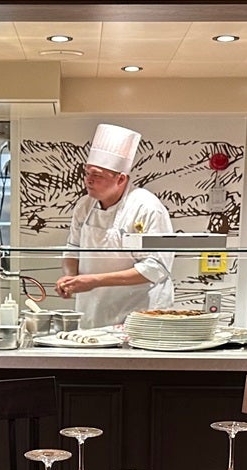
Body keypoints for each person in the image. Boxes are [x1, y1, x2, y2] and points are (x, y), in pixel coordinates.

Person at [55, 123, 175, 328]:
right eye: (87, 173)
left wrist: (94, 281)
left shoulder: (147, 207)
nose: (88, 181)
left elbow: (155, 268)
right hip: (93, 310)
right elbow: (73, 249)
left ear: (121, 179)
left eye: (97, 175)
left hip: (140, 312)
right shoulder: (84, 205)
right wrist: (70, 277)